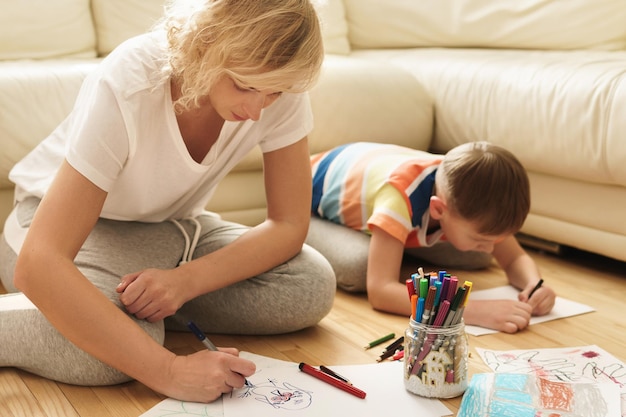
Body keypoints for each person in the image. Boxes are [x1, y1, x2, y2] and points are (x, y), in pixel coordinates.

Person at [0, 0, 336, 403]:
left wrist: (184, 281)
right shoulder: (131, 79)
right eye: (243, 86)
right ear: (207, 45)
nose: (255, 109)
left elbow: (288, 225)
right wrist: (168, 370)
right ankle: (112, 313)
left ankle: (120, 306)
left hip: (169, 232)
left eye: (274, 93)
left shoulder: (274, 82)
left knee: (307, 285)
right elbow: (40, 261)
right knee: (109, 359)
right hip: (55, 231)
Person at [306, 141, 556, 334]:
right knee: (361, 267)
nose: (492, 246)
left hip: (375, 178)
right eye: (482, 237)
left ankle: (397, 241)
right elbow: (380, 292)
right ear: (438, 209)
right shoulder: (400, 197)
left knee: (476, 255)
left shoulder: (464, 189)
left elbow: (514, 259)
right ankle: (393, 240)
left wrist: (535, 285)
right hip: (308, 201)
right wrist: (471, 311)